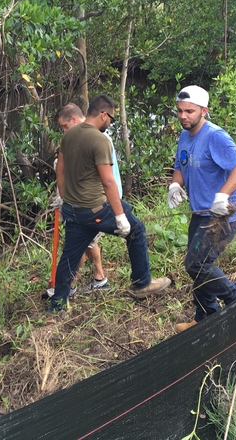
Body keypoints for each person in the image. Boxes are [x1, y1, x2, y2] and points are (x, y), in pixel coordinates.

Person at [50, 94, 171, 312]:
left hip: (73, 210)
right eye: (112, 120)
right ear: (103, 114)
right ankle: (142, 284)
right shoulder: (100, 140)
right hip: (94, 208)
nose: (111, 124)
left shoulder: (68, 136)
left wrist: (65, 198)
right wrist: (120, 217)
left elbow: (60, 170)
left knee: (70, 256)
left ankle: (57, 304)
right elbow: (108, 181)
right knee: (136, 229)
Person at [168, 86, 236, 333]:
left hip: (222, 215)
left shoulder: (216, 136)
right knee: (196, 265)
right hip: (200, 213)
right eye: (180, 111)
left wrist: (223, 195)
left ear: (204, 111)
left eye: (189, 111)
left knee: (198, 265)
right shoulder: (185, 134)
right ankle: (206, 316)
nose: (183, 116)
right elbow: (180, 164)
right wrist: (175, 183)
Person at [51, 103, 117, 292]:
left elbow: (109, 178)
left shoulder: (97, 139)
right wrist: (62, 196)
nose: (64, 131)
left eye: (64, 126)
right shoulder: (73, 139)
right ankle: (99, 278)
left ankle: (69, 285)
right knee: (88, 241)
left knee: (79, 243)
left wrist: (115, 206)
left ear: (73, 119)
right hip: (78, 203)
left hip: (96, 203)